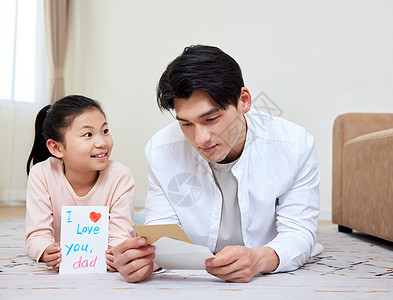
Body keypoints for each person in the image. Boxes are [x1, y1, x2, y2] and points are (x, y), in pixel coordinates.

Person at [113, 45, 321, 283]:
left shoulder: (294, 145)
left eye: (211, 119)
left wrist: (259, 258)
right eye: (186, 124)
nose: (201, 139)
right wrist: (145, 260)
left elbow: (299, 232)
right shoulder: (161, 149)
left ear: (243, 100)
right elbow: (163, 232)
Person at [25, 95, 135, 272]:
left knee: (142, 229)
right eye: (88, 134)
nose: (102, 142)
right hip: (74, 255)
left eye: (105, 131)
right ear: (57, 148)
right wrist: (45, 250)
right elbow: (37, 234)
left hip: (126, 222)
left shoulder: (120, 176)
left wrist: (115, 253)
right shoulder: (42, 174)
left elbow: (120, 236)